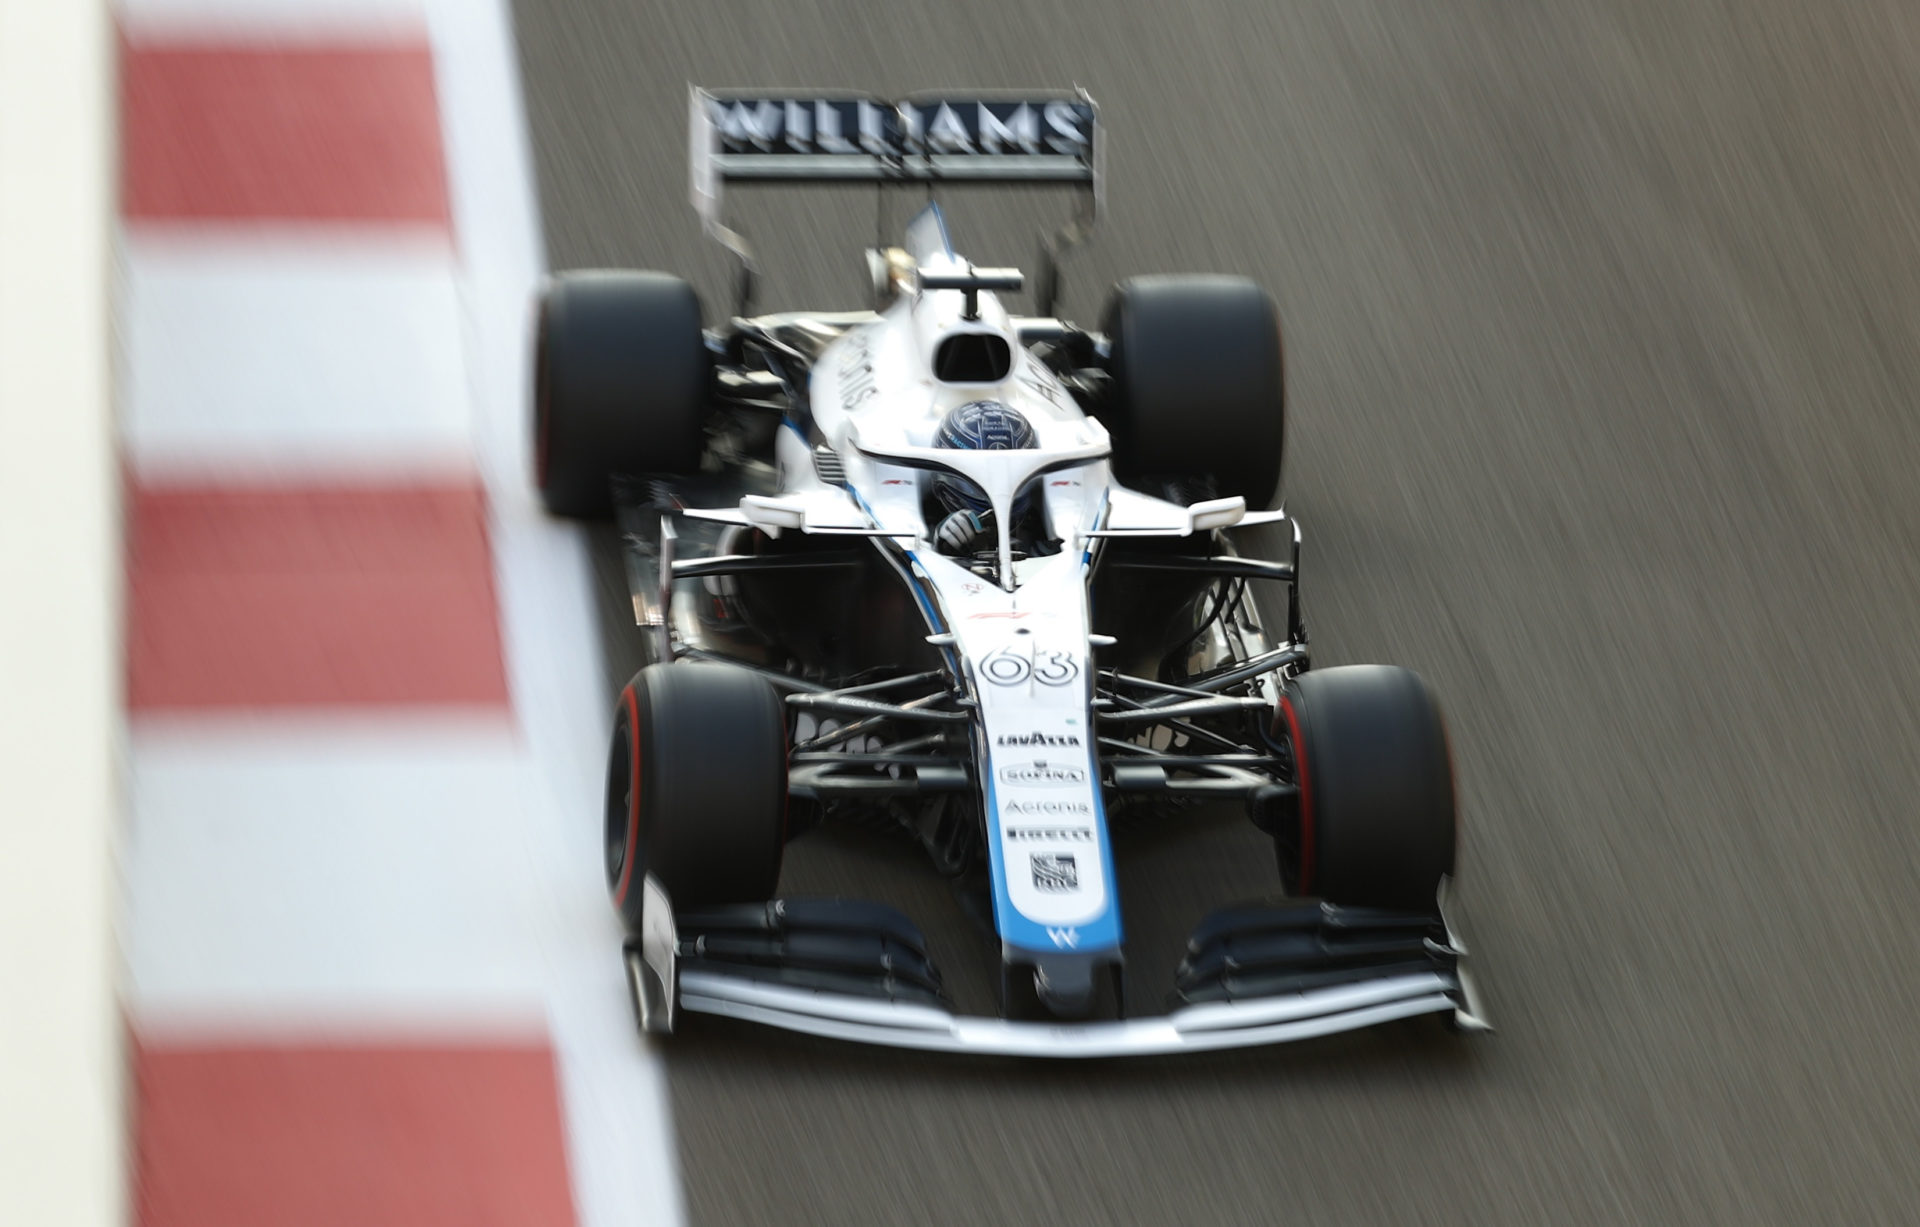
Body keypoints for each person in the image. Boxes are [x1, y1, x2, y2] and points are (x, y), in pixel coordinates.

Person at [929, 400, 1038, 554]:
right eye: (981, 478)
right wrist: (940, 544)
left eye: (1009, 475)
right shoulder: (923, 517)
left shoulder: (1042, 518)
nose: (999, 489)